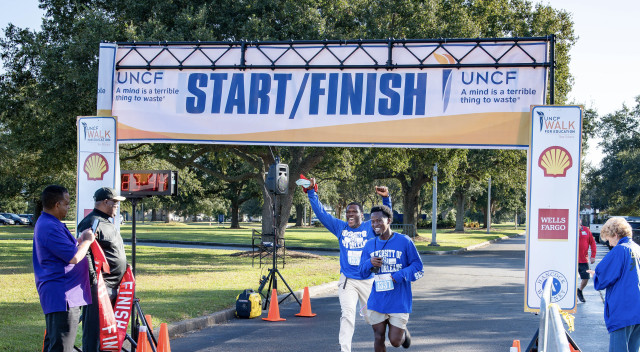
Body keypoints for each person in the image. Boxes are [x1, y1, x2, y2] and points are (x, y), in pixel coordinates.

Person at [304, 178, 391, 352]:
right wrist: (312, 192)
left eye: (354, 212)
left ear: (362, 215)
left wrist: (386, 199)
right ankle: (345, 349)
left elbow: (386, 217)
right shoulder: (340, 228)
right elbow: (321, 213)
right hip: (348, 280)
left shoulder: (370, 227)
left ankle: (398, 331)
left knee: (371, 318)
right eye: (348, 212)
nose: (350, 214)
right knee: (347, 315)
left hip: (368, 280)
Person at [33, 185, 96, 352]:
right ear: (56, 205)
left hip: (64, 293)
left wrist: (79, 240)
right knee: (62, 346)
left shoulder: (51, 222)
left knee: (55, 343)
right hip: (62, 295)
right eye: (67, 204)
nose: (69, 207)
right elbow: (73, 257)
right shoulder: (50, 226)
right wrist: (87, 242)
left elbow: (65, 249)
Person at [359, 205, 423, 351]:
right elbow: (361, 272)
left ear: (389, 220)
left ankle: (403, 334)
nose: (375, 225)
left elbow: (418, 267)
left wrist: (400, 275)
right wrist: (369, 263)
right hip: (378, 300)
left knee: (395, 341)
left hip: (399, 300)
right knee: (378, 336)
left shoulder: (405, 241)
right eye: (372, 221)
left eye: (379, 221)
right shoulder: (370, 244)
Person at [77, 187, 127, 352]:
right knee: (94, 332)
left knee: (108, 332)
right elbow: (85, 253)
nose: (117, 206)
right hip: (99, 288)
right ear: (106, 202)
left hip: (113, 287)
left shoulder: (106, 222)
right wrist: (94, 281)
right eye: (115, 202)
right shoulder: (92, 222)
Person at [591, 217, 640, 351]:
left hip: (623, 309)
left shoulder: (620, 250)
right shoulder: (637, 248)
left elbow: (603, 279)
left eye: (609, 239)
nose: (610, 244)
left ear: (615, 235)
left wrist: (595, 275)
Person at [577, 218, 596, 302]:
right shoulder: (570, 230)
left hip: (583, 260)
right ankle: (571, 296)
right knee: (571, 279)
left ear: (581, 221)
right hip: (572, 260)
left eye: (579, 220)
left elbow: (592, 243)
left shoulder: (586, 230)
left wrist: (593, 256)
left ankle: (579, 291)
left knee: (586, 278)